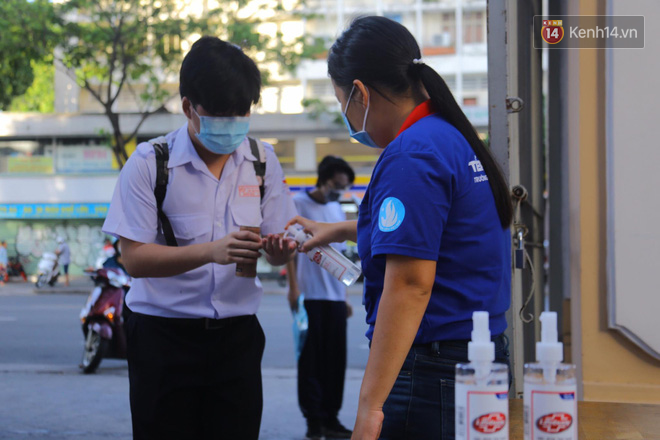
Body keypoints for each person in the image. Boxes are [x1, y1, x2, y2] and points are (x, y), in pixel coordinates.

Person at [288, 16, 513, 440]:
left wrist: (370, 407)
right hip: (474, 356)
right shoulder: (448, 136)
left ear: (360, 92)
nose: (347, 116)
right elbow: (435, 234)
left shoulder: (412, 154)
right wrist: (336, 231)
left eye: (342, 102)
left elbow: (411, 284)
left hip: (430, 369)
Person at [102, 36, 298, 440]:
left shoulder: (262, 161)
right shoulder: (150, 163)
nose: (233, 124)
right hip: (163, 337)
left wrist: (280, 250)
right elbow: (134, 259)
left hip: (238, 338)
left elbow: (279, 246)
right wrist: (210, 252)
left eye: (242, 113)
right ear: (189, 106)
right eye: (221, 114)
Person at [286, 156, 356, 440]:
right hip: (309, 295)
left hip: (335, 298)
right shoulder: (300, 206)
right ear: (325, 180)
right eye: (338, 185)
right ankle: (314, 422)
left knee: (335, 361)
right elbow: (290, 249)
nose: (341, 191)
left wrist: (345, 296)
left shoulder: (337, 209)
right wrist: (293, 287)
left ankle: (331, 418)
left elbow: (339, 257)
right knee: (311, 362)